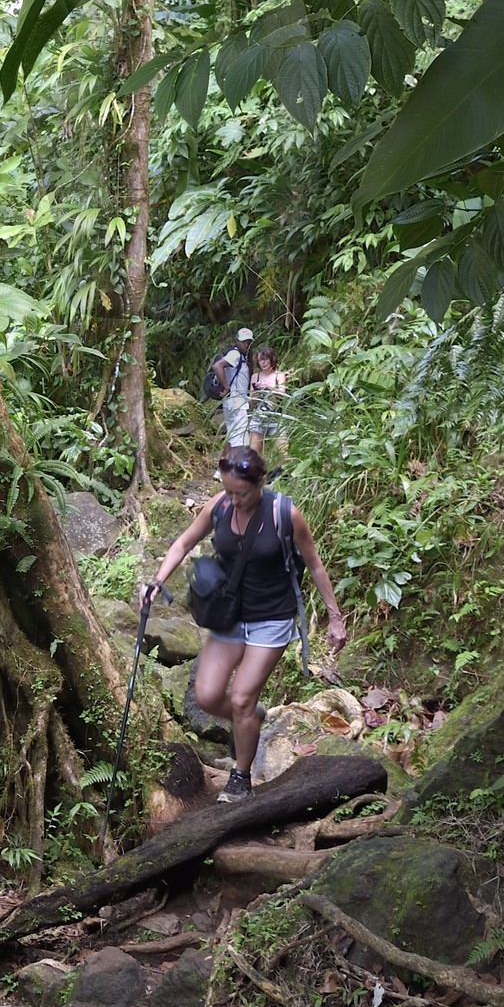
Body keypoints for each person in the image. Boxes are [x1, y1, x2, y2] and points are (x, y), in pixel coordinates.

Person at [140, 446, 347, 801]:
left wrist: (335, 617)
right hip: (230, 615)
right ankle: (251, 716)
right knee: (206, 696)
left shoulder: (285, 514)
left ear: (260, 483)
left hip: (272, 620)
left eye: (242, 492)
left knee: (240, 697)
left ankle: (240, 778)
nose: (234, 500)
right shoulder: (219, 505)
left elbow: (315, 565)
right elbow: (185, 541)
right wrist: (157, 581)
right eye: (228, 490)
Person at [211, 326, 255, 447]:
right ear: (236, 342)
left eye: (249, 342)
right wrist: (226, 388)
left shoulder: (242, 357)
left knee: (232, 437)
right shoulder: (235, 354)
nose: (246, 345)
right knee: (240, 439)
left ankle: (228, 464)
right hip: (237, 402)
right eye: (244, 342)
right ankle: (238, 464)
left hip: (233, 402)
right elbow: (217, 366)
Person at [249, 344, 288, 452]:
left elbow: (282, 393)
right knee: (254, 454)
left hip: (276, 417)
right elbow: (251, 402)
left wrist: (267, 387)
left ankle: (284, 468)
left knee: (283, 451)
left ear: (272, 360)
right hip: (258, 418)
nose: (263, 363)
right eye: (261, 360)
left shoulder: (279, 375)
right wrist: (254, 395)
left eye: (266, 359)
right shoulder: (255, 377)